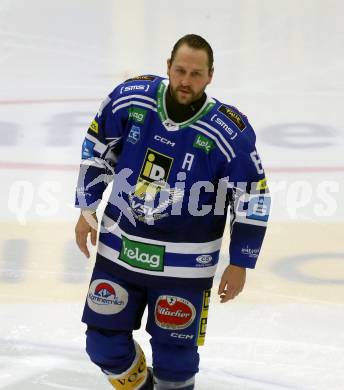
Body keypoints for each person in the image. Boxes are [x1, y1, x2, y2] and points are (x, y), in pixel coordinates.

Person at [74, 34, 270, 390]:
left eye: (196, 74)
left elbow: (252, 198)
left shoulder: (230, 132)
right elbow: (98, 149)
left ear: (210, 76)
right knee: (102, 344)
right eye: (180, 70)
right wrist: (86, 208)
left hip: (185, 266)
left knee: (175, 364)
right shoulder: (130, 99)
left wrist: (240, 261)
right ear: (168, 66)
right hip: (119, 250)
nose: (186, 80)